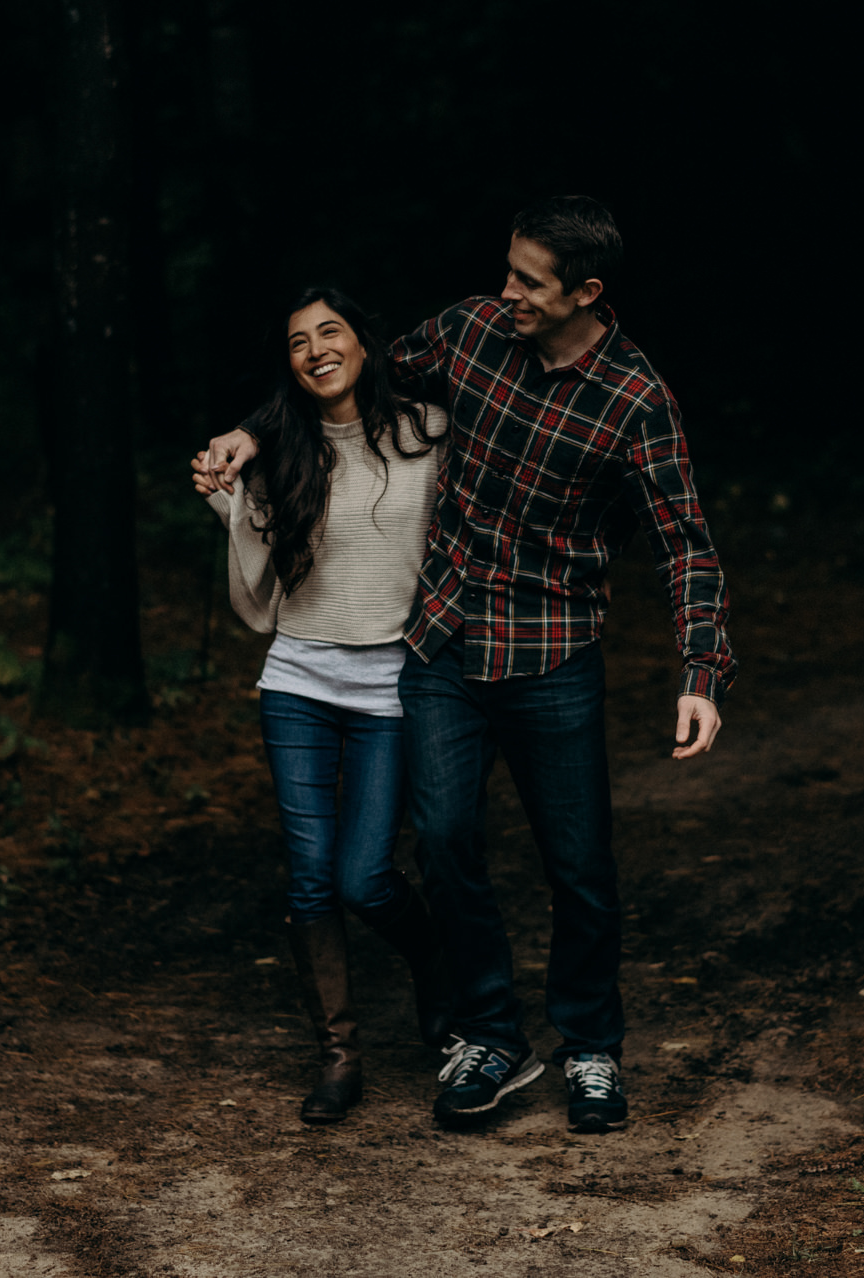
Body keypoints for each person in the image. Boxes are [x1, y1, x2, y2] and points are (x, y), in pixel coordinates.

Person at [196, 197, 736, 1134]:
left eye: (529, 281)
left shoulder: (635, 398)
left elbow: (684, 540)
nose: (508, 291)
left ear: (586, 292)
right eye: (509, 270)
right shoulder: (470, 332)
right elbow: (339, 368)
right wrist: (250, 431)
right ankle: (489, 1032)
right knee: (444, 849)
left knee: (579, 866)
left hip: (553, 652)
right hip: (442, 644)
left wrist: (702, 669)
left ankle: (594, 1046)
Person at [194, 286, 453, 1126]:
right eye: (299, 340)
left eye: (330, 331)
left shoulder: (429, 434)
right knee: (310, 881)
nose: (316, 349)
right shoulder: (280, 449)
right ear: (291, 364)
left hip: (390, 685)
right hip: (299, 682)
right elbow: (258, 584)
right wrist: (229, 492)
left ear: (363, 345)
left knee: (365, 877)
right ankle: (339, 1056)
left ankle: (435, 967)